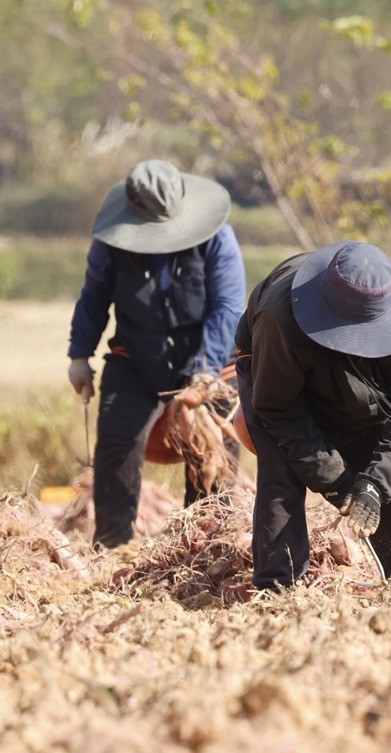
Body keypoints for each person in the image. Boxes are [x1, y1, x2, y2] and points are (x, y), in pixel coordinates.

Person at [234, 241, 391, 597]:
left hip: (369, 391)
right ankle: (278, 594)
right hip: (282, 384)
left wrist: (374, 486)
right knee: (281, 482)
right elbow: (279, 409)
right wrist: (336, 481)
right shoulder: (278, 317)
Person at [67, 159, 246, 549]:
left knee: (213, 446)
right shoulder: (111, 242)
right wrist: (80, 354)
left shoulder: (218, 238)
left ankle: (206, 542)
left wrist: (203, 374)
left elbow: (228, 308)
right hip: (137, 351)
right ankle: (112, 544)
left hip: (207, 357)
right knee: (116, 437)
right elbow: (95, 296)